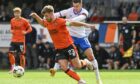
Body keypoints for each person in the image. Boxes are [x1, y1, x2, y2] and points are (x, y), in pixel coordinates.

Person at [30, 5, 96, 84]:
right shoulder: (47, 22)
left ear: (51, 13)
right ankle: (80, 81)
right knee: (64, 67)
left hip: (69, 46)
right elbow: (42, 23)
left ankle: (85, 62)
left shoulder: (61, 21)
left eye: (46, 15)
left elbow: (73, 23)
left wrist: (87, 25)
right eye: (44, 16)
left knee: (77, 65)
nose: (45, 17)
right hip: (59, 49)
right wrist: (36, 16)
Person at [54, 0, 102, 83]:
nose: (75, 8)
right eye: (74, 6)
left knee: (91, 56)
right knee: (67, 57)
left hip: (81, 37)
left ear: (81, 4)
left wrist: (68, 21)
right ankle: (57, 68)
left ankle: (98, 79)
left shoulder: (84, 12)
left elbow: (78, 19)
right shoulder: (69, 11)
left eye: (77, 6)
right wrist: (48, 17)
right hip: (70, 37)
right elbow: (57, 14)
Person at [8, 7, 32, 73]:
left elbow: (30, 28)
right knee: (10, 54)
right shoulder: (12, 20)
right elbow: (11, 28)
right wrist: (11, 30)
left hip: (21, 41)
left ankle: (22, 69)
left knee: (21, 55)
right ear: (14, 13)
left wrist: (26, 32)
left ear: (20, 13)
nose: (16, 14)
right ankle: (13, 68)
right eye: (15, 13)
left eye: (18, 13)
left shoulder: (24, 20)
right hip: (13, 40)